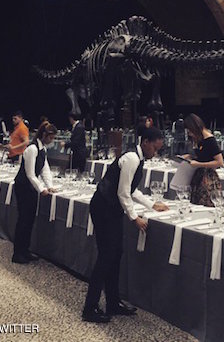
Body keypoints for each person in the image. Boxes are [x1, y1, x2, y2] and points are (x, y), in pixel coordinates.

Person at [82, 126, 168, 323]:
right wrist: (134, 217)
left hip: (112, 209)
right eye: (155, 148)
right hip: (103, 207)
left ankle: (113, 302)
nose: (155, 153)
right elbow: (123, 192)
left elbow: (132, 190)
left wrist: (152, 204)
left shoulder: (138, 159)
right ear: (145, 142)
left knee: (116, 254)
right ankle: (90, 308)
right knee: (106, 257)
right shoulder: (131, 159)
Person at [12, 121, 58, 264]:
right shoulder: (32, 149)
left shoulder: (42, 149)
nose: (52, 140)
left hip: (31, 188)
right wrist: (41, 188)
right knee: (23, 220)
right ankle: (17, 253)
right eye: (51, 137)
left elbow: (45, 169)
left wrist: (49, 185)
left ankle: (25, 250)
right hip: (23, 187)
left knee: (30, 220)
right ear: (44, 135)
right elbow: (30, 174)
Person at [183, 114, 223, 206]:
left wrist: (198, 164)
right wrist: (190, 157)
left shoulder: (210, 140)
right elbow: (204, 157)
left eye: (190, 131)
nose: (189, 133)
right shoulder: (199, 139)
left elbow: (219, 162)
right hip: (198, 175)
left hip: (208, 178)